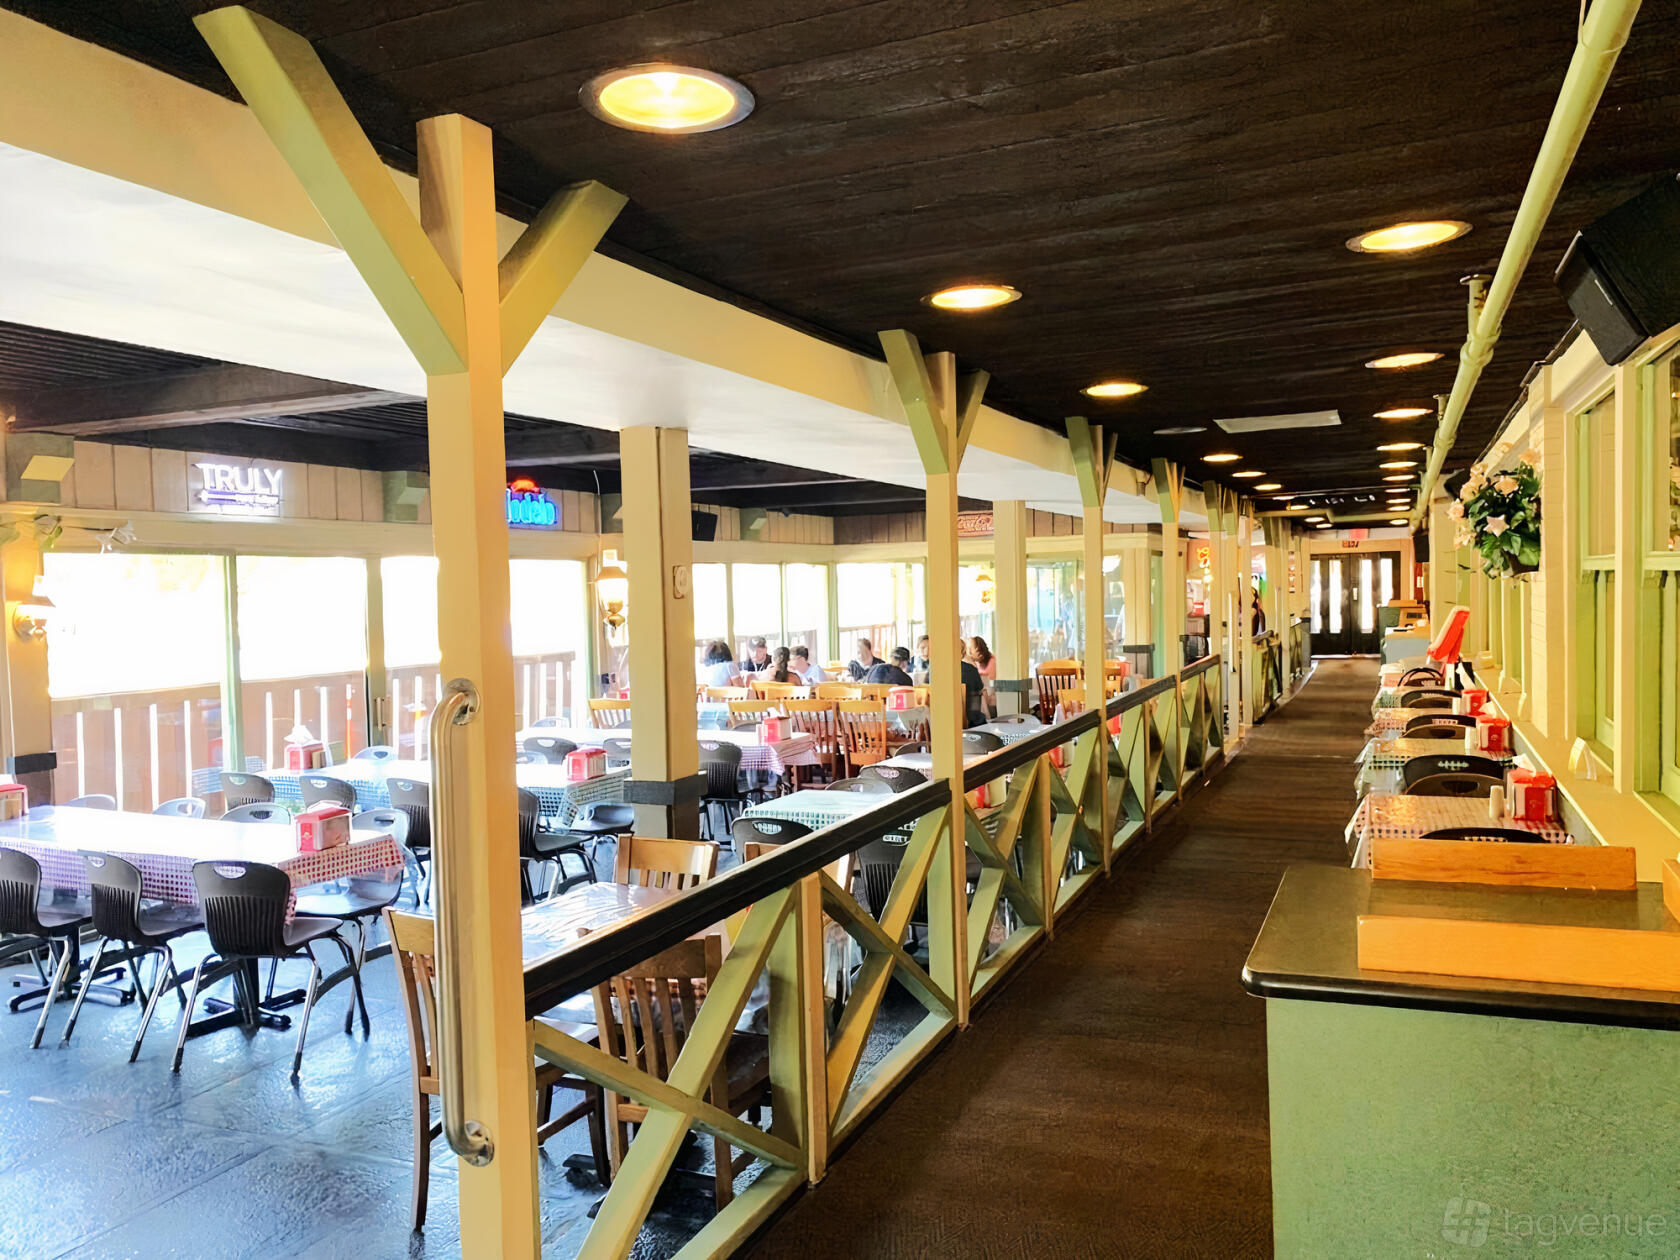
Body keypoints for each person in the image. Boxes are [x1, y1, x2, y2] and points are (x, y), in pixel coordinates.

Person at [966, 635, 997, 716]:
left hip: (990, 698)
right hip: (984, 697)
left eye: (971, 650)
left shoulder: (992, 661)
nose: (970, 653)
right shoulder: (976, 663)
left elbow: (988, 684)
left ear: (978, 650)